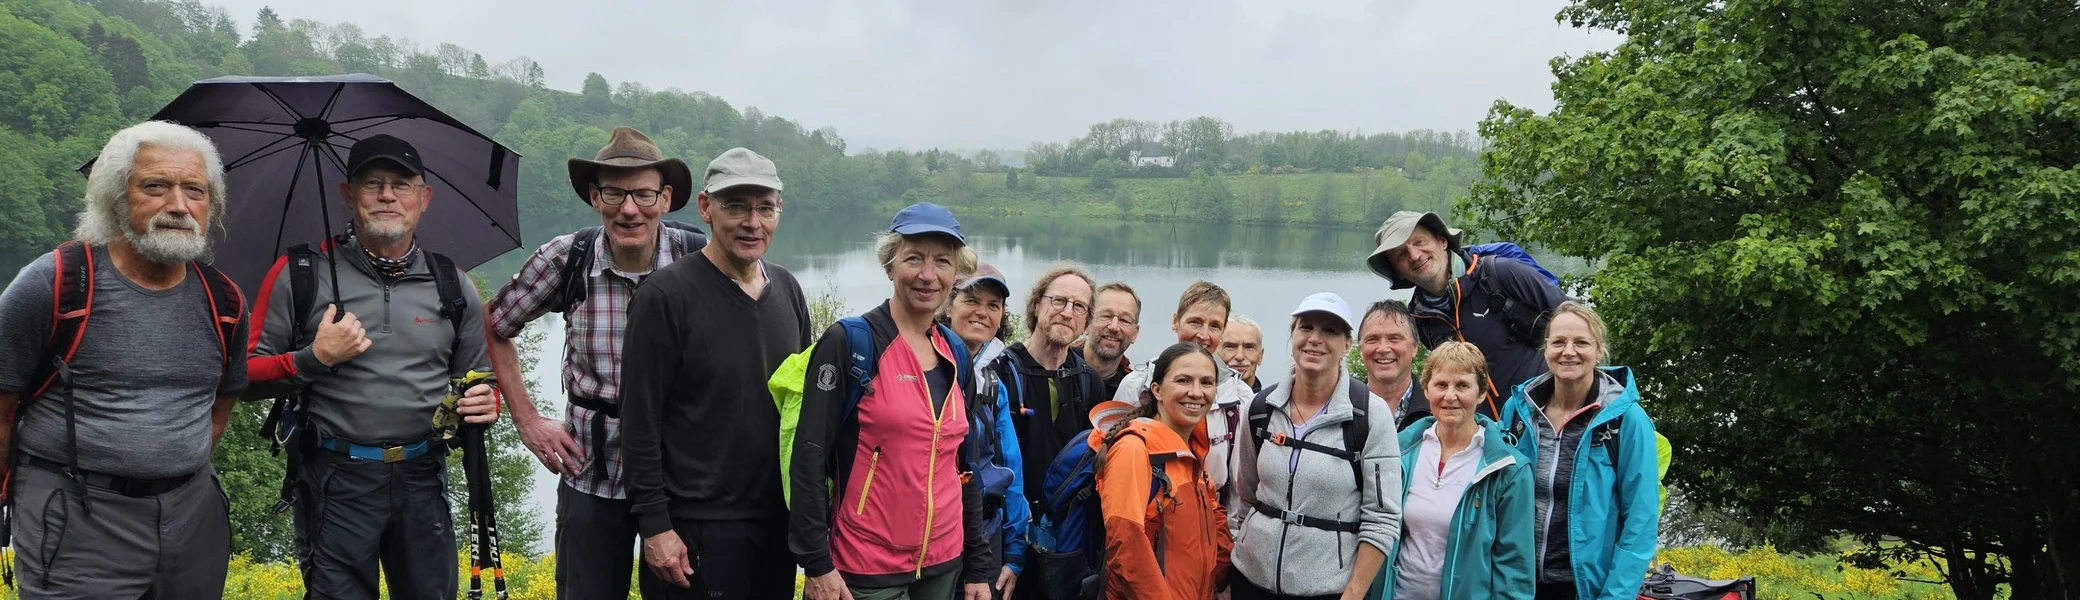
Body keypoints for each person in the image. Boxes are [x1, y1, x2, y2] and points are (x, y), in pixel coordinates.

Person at [245, 133, 500, 599]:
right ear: (347, 194)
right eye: (372, 184)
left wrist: (485, 402)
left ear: (424, 198)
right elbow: (242, 377)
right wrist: (314, 358)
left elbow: (477, 379)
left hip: (423, 478)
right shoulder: (299, 273)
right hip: (334, 479)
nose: (388, 196)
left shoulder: (453, 283)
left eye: (402, 185)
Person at [0, 122, 245, 598]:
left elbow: (221, 403)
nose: (178, 205)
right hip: (75, 518)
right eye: (156, 186)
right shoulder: (54, 284)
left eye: (194, 190)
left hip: (192, 518)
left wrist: (165, 464)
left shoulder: (224, 299)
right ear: (116, 198)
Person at [483, 126, 705, 599]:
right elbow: (495, 324)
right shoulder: (568, 258)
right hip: (591, 470)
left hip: (678, 475)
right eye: (614, 193)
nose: (629, 209)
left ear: (666, 199)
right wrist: (526, 421)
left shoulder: (698, 259)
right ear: (594, 197)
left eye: (644, 194)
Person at [619, 147, 811, 600]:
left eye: (765, 207)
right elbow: (638, 421)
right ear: (705, 208)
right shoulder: (665, 296)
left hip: (774, 524)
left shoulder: (787, 288)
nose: (752, 222)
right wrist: (655, 526)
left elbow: (802, 410)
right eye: (736, 206)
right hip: (695, 532)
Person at [791, 203, 992, 600]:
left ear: (956, 274)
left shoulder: (956, 351)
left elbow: (963, 465)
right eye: (913, 258)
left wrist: (977, 566)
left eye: (943, 262)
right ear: (890, 266)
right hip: (866, 565)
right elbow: (809, 457)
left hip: (943, 561)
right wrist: (816, 563)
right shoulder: (852, 342)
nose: (928, 275)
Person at [1230, 292, 1401, 600]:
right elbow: (1246, 495)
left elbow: (1383, 518)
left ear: (1348, 344)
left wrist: (1355, 592)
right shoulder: (1260, 408)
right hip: (1250, 581)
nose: (1315, 339)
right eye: (1306, 327)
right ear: (1292, 335)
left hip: (1327, 590)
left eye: (1330, 331)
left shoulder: (1369, 415)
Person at [1496, 302, 1659, 600]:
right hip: (1516, 586)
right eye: (1558, 342)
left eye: (1581, 342)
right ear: (1545, 350)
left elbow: (1641, 522)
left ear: (1599, 351)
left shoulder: (1626, 421)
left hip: (1586, 589)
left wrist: (1615, 596)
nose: (1568, 351)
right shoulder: (1519, 411)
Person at [1371, 342, 1534, 600]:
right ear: (1426, 389)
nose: (1450, 396)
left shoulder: (1508, 469)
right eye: (1441, 385)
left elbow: (1514, 567)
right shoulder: (1398, 451)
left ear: (1481, 393)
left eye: (1462, 386)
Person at [1365, 211, 1566, 416]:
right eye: (1401, 254)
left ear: (1443, 241)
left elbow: (1576, 320)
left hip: (1545, 419)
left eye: (1419, 242)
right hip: (1487, 437)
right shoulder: (1421, 318)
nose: (1414, 255)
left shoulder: (1501, 273)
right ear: (1397, 270)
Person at [1090, 343, 1234, 600]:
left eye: (1207, 382)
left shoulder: (1192, 452)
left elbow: (1215, 519)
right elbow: (1126, 543)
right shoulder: (1134, 448)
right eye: (1183, 380)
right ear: (1156, 390)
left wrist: (1220, 578)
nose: (1196, 392)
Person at [990, 263, 1107, 567]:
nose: (1067, 312)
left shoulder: (1087, 379)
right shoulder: (1001, 371)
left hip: (1066, 534)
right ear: (1037, 303)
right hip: (1009, 529)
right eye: (1058, 300)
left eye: (1079, 306)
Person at [1112, 281, 1254, 506]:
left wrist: (1230, 537)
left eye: (1214, 326)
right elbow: (1112, 464)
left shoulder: (1240, 398)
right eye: (1195, 322)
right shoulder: (1137, 386)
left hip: (1210, 519)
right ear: (1176, 321)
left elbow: (1239, 487)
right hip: (1146, 514)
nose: (1203, 335)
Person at [938, 262, 1030, 599]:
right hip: (928, 536)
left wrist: (1015, 550)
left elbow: (1010, 470)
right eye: (972, 301)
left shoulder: (993, 386)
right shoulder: (918, 366)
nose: (982, 313)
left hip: (984, 537)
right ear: (949, 305)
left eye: (993, 306)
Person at [1356, 300, 1430, 430]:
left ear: (1414, 347)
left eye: (1395, 338)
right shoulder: (1342, 410)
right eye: (1372, 339)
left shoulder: (1437, 410)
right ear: (1361, 349)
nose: (1383, 349)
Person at [1083, 282, 1142, 398]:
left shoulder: (1134, 393)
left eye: (1124, 320)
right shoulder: (1056, 368)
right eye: (1105, 316)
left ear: (1135, 333)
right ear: (1086, 323)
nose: (1114, 327)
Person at [1219, 315, 1266, 393]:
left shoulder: (1272, 404)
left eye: (1249, 347)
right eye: (1230, 347)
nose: (1240, 357)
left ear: (1260, 356)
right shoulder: (1201, 401)